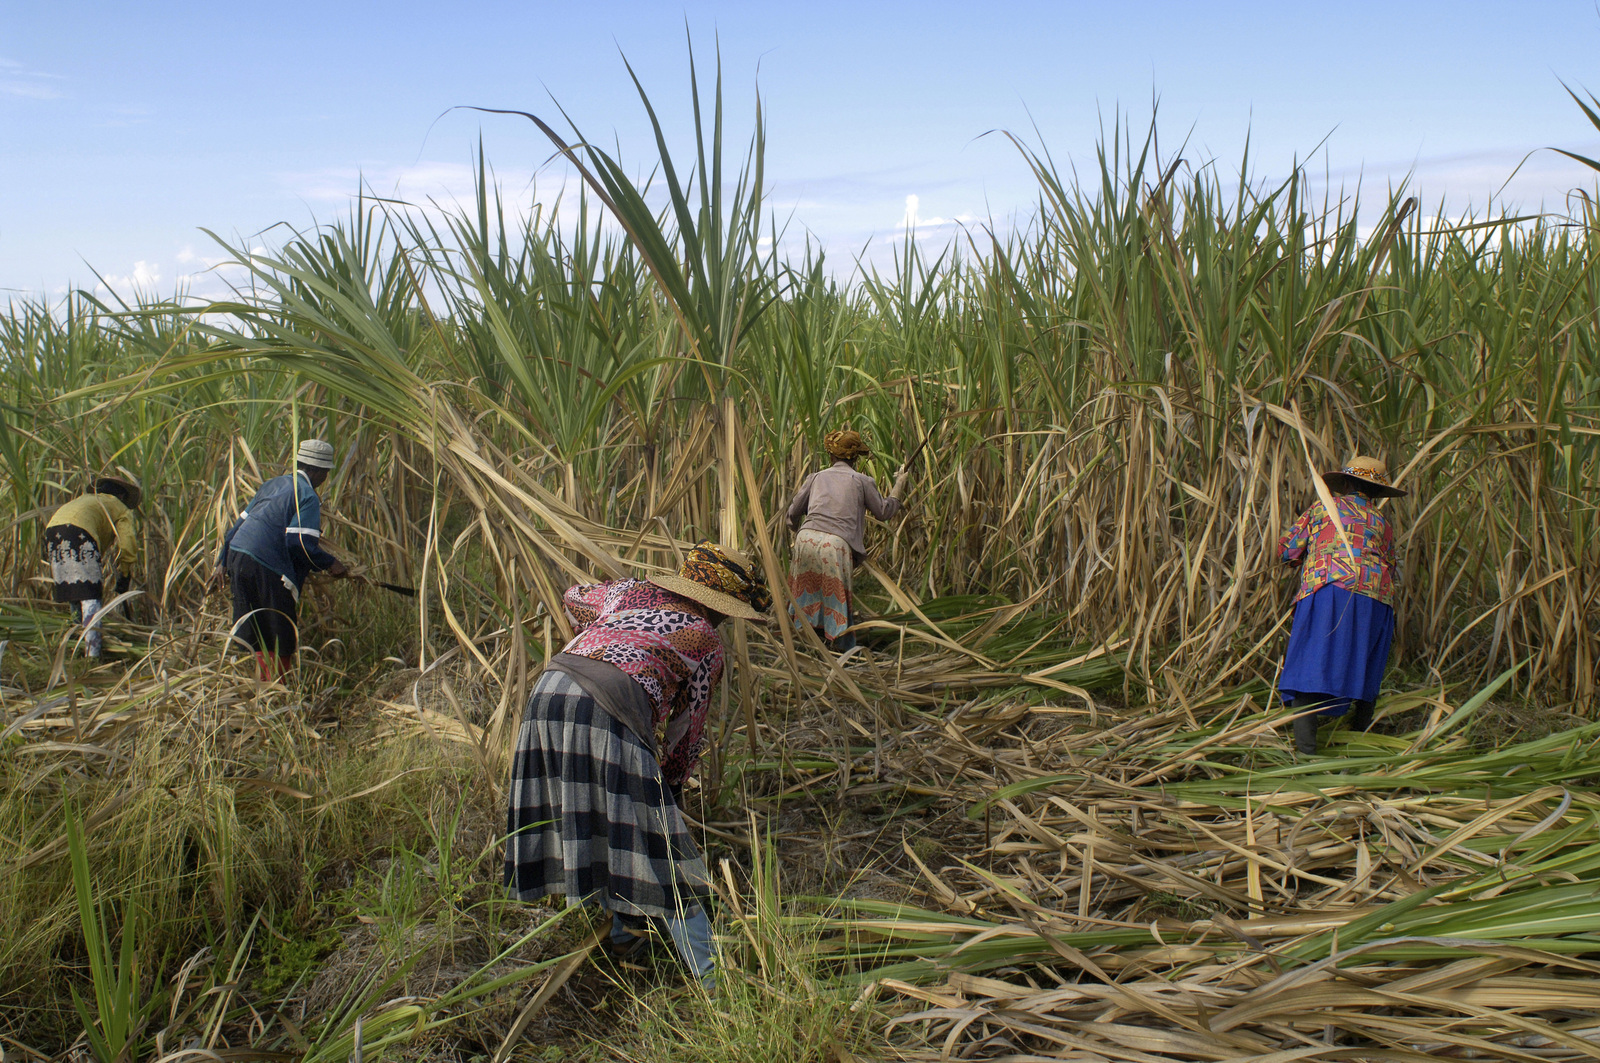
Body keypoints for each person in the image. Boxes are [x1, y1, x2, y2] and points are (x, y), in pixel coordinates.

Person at [504, 541, 771, 986]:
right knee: (658, 843)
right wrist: (669, 788)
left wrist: (604, 633)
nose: (725, 620)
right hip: (608, 707)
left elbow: (574, 595)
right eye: (728, 611)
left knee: (594, 814)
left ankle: (625, 933)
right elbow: (687, 732)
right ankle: (712, 980)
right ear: (719, 606)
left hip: (551, 689)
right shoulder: (705, 640)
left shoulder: (627, 592)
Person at [1277, 455, 1406, 755]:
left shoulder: (1325, 508)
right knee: (1362, 663)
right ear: (1375, 493)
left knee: (1310, 661)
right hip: (1377, 598)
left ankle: (1307, 753)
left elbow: (1288, 550)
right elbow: (1390, 561)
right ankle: (1358, 744)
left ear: (1345, 483)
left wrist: (1294, 557)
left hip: (1330, 589)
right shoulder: (1382, 522)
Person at [212, 439, 359, 681]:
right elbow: (298, 543)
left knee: (259, 630)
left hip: (238, 557)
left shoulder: (272, 485)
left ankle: (263, 691)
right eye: (324, 473)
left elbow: (237, 527)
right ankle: (275, 693)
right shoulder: (307, 496)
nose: (323, 479)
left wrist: (222, 561)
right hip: (265, 564)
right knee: (279, 633)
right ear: (317, 471)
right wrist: (330, 563)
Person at [785, 428, 909, 652]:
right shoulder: (862, 481)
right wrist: (899, 484)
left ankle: (804, 638)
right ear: (855, 457)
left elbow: (794, 512)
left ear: (831, 456)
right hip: (835, 544)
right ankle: (840, 646)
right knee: (835, 596)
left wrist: (796, 531)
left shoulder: (816, 477)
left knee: (807, 591)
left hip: (806, 538)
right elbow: (884, 512)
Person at [45, 476, 143, 659]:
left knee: (75, 594)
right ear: (120, 495)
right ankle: (92, 657)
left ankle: (76, 647)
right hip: (79, 532)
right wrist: (125, 574)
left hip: (52, 531)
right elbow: (127, 544)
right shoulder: (120, 508)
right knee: (91, 597)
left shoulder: (84, 501)